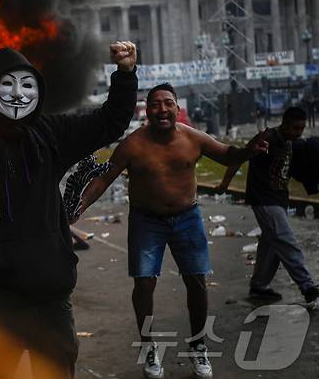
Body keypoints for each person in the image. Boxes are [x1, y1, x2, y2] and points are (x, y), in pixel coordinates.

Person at [0, 42, 138, 379]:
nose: (18, 94)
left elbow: (109, 123)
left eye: (27, 85)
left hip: (51, 304)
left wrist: (125, 75)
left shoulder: (49, 135)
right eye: (7, 84)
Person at [71, 83, 268, 379]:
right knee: (144, 285)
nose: (162, 109)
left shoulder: (194, 139)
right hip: (146, 221)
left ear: (177, 107)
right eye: (155, 104)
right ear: (146, 110)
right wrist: (78, 207)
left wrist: (249, 151)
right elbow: (103, 180)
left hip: (187, 218)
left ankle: (199, 345)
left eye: (168, 103)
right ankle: (149, 347)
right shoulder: (132, 144)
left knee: (197, 282)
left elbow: (228, 155)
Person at [217, 107, 319, 305]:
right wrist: (224, 184)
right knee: (285, 240)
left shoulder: (291, 143)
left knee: (271, 244)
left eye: (302, 128)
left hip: (279, 199)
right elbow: (239, 158)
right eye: (295, 128)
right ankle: (307, 286)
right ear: (284, 123)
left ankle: (259, 287)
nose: (298, 132)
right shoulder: (267, 138)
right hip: (264, 199)